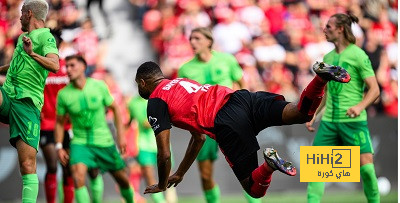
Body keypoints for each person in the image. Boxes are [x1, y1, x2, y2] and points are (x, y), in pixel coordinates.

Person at [136, 60, 350, 198]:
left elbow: (164, 154)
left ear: (144, 82)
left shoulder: (156, 100)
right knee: (301, 113)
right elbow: (198, 138)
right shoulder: (180, 81)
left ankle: (269, 165)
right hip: (241, 98)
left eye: (138, 84)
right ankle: (320, 78)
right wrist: (180, 173)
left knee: (254, 189)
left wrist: (162, 184)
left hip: (226, 121)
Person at [178, 27, 261, 203]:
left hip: (231, 120)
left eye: (197, 38)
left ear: (209, 41)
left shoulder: (227, 60)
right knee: (206, 175)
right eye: (191, 39)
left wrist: (244, 110)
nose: (193, 42)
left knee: (247, 170)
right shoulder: (185, 69)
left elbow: (241, 83)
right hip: (204, 125)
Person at [305, 13, 380, 203]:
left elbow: (375, 90)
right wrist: (313, 113)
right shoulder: (328, 57)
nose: (325, 30)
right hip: (329, 122)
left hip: (353, 122)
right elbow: (327, 92)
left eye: (328, 27)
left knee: (367, 170)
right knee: (315, 172)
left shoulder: (358, 54)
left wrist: (359, 106)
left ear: (340, 29)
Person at [0, 0, 59, 202]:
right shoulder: (23, 38)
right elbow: (16, 64)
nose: (19, 17)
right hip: (8, 95)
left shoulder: (46, 36)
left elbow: (55, 64)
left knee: (27, 165)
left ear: (29, 14)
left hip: (27, 104)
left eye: (22, 13)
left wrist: (32, 53)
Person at [55, 55, 134, 203]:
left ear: (83, 67)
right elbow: (59, 122)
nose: (68, 70)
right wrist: (59, 146)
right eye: (67, 67)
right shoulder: (63, 94)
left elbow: (115, 109)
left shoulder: (99, 86)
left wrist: (121, 137)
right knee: (77, 176)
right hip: (80, 142)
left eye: (72, 66)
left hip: (104, 141)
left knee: (122, 179)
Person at [39, 28, 74, 203]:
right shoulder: (38, 68)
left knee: (68, 169)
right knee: (52, 166)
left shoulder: (68, 68)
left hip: (66, 125)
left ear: (59, 46)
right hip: (45, 124)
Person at [127, 95, 167, 203]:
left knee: (168, 177)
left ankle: (171, 199)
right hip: (144, 145)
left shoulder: (159, 100)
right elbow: (134, 122)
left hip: (162, 144)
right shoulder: (132, 103)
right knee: (150, 178)